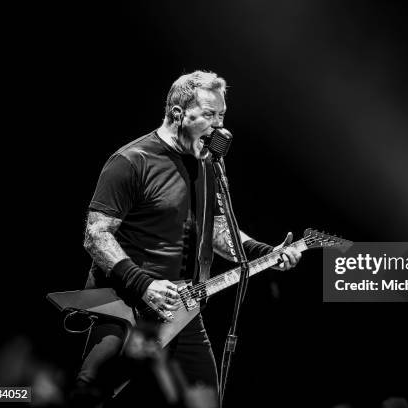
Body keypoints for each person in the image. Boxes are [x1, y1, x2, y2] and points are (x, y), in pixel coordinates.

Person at [70, 70, 301, 407]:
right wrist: (144, 285)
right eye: (209, 115)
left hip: (182, 306)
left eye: (222, 115)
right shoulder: (131, 161)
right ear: (178, 113)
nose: (219, 127)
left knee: (205, 400)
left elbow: (220, 232)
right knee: (89, 396)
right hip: (126, 304)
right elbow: (95, 235)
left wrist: (266, 252)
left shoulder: (208, 166)